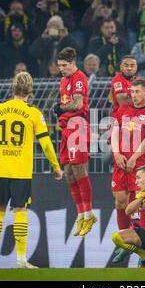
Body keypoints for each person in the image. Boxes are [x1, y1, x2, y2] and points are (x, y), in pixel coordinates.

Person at [0, 71, 63, 269]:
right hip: (21, 171)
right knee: (20, 211)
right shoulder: (34, 114)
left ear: (13, 88)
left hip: (0, 169)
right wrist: (56, 167)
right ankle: (21, 260)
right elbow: (47, 145)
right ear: (30, 90)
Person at [53, 47, 96, 236]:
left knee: (79, 169)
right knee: (69, 171)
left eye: (64, 65)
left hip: (78, 125)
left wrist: (60, 108)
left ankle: (89, 214)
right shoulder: (63, 80)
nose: (61, 69)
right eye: (59, 65)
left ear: (73, 63)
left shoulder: (79, 78)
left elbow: (77, 104)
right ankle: (80, 215)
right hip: (66, 128)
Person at [110, 79, 145, 263]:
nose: (133, 95)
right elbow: (114, 133)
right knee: (120, 203)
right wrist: (117, 153)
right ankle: (124, 243)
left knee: (138, 206)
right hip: (121, 164)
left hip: (140, 166)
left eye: (137, 91)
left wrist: (134, 157)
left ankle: (138, 242)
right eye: (131, 91)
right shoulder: (123, 109)